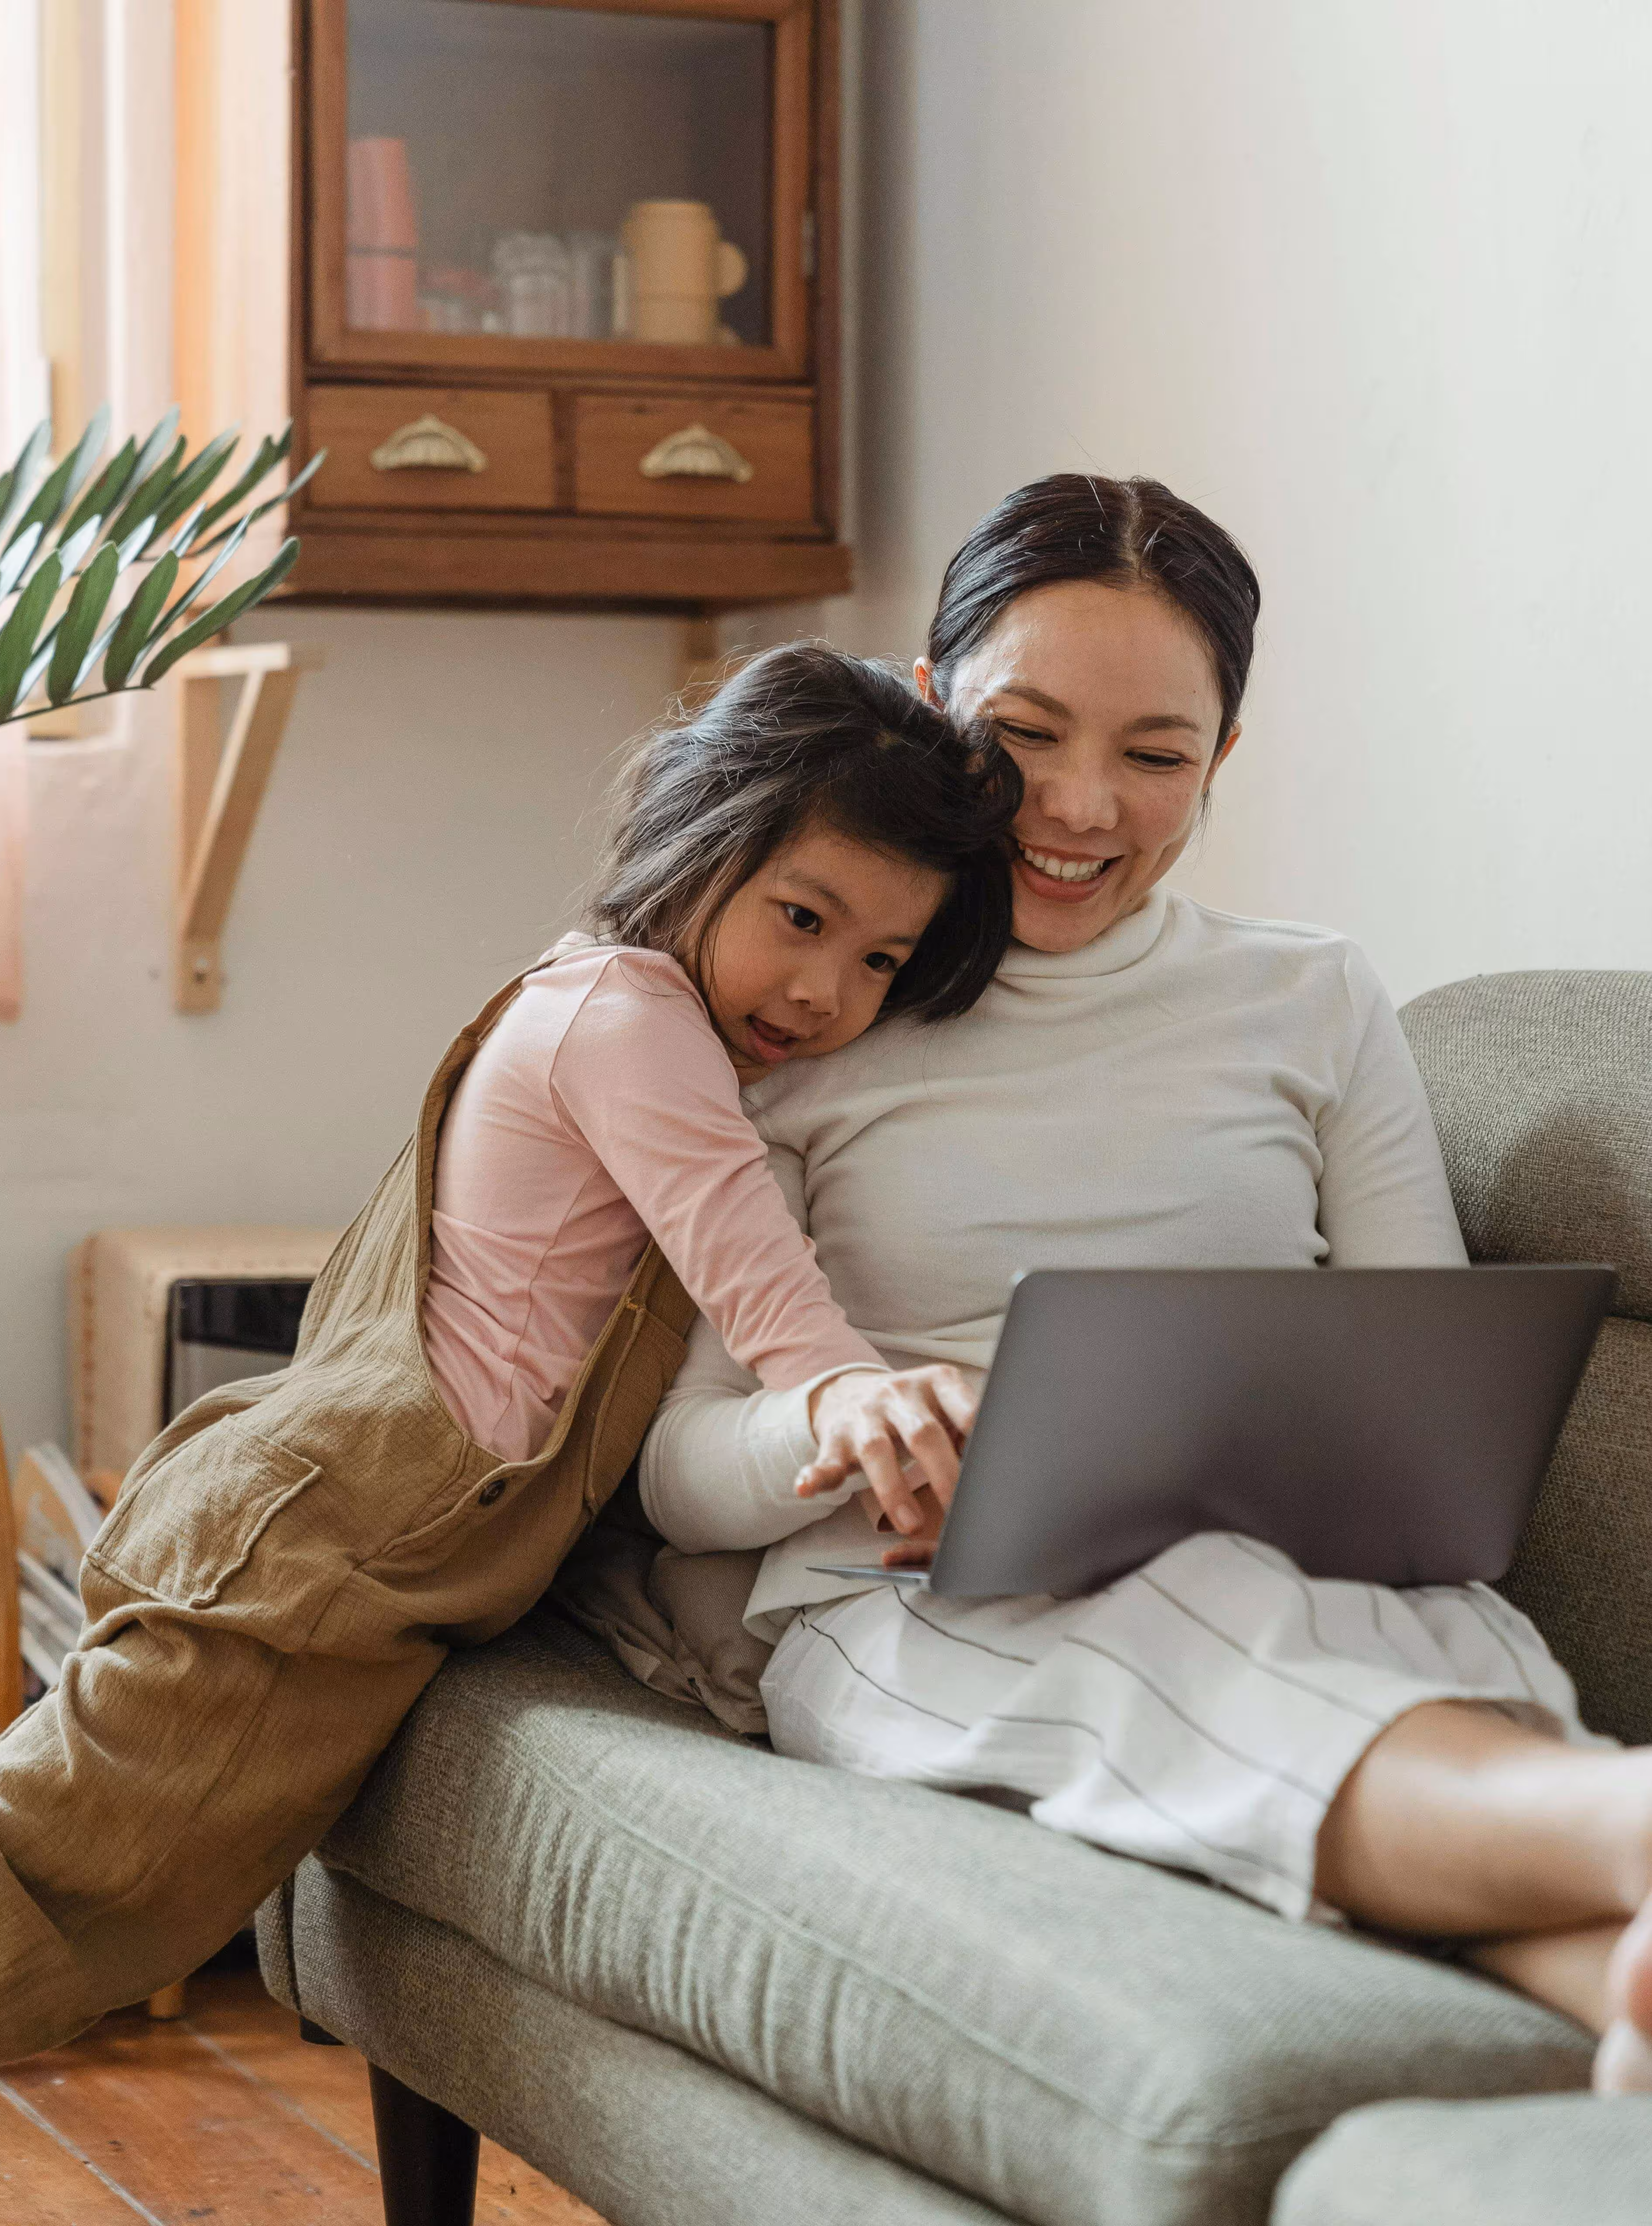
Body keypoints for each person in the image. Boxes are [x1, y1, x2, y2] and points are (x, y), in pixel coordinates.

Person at [639, 475, 1652, 2096]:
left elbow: (1430, 1381)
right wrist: (847, 1419)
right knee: (1204, 1632)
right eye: (1021, 735)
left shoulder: (1310, 999)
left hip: (1314, 1566)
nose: (1076, 808)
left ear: (1221, 763)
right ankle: (1625, 1826)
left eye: (1155, 757)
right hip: (919, 1601)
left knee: (1327, 1631)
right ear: (926, 703)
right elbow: (681, 1475)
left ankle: (1615, 1973)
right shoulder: (819, 1008)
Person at [0, 645, 1018, 2063]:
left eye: (879, 961)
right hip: (333, 1548)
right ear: (696, 838)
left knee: (105, 1887)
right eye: (801, 916)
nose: (824, 989)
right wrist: (856, 1395)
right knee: (63, 1867)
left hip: (367, 1551)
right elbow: (753, 1269)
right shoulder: (630, 1025)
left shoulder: (604, 1006)